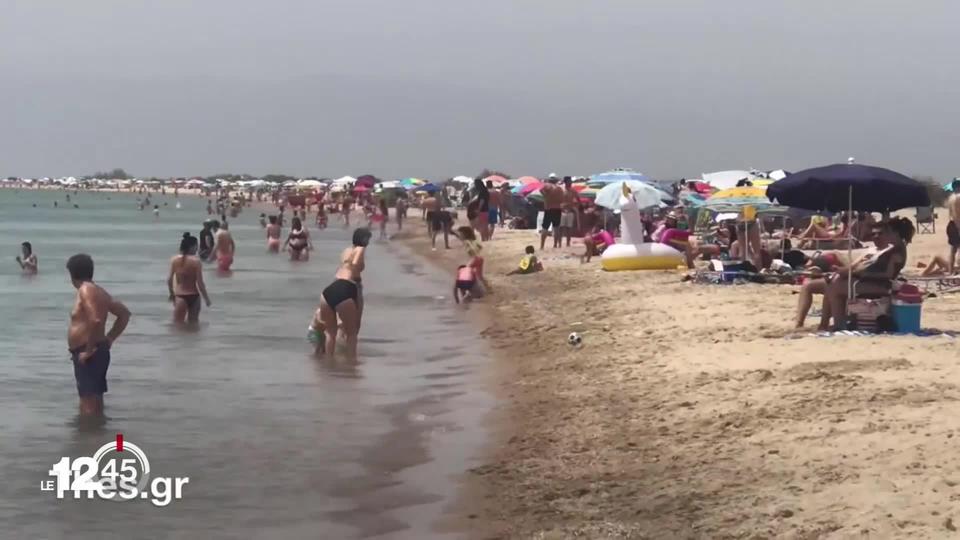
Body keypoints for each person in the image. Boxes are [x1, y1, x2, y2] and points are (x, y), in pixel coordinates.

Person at [820, 217, 914, 330]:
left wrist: (860, 274)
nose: (886, 235)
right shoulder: (894, 249)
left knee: (836, 286)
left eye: (888, 232)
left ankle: (839, 324)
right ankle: (831, 324)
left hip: (881, 286)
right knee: (833, 282)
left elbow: (887, 275)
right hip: (873, 283)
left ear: (895, 233)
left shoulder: (897, 252)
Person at [66, 254, 131, 416]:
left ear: (72, 274)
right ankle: (98, 434)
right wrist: (109, 338)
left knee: (87, 404)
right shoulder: (100, 291)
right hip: (98, 350)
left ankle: (88, 438)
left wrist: (88, 351)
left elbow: (95, 319)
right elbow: (124, 314)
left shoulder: (85, 290)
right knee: (95, 401)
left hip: (90, 353)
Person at [317, 228, 370, 360]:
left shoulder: (347, 250)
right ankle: (351, 366)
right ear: (363, 239)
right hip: (348, 287)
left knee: (330, 333)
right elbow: (356, 263)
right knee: (353, 333)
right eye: (367, 238)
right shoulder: (360, 249)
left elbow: (345, 265)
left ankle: (329, 364)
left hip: (330, 289)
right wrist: (356, 265)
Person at [167, 233, 212, 325]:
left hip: (180, 296)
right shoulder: (196, 262)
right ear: (192, 247)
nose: (197, 248)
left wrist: (171, 293)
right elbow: (200, 283)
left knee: (177, 325)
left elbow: (169, 280)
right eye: (196, 246)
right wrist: (206, 299)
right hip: (194, 296)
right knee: (194, 325)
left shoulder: (174, 260)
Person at [540, 175, 564, 249]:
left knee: (545, 227)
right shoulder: (559, 188)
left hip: (549, 208)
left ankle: (542, 245)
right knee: (556, 227)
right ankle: (555, 244)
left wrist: (545, 196)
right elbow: (561, 199)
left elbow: (540, 190)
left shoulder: (547, 186)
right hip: (557, 209)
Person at [560, 177, 580, 247]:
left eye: (571, 181)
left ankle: (568, 243)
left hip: (570, 211)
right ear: (565, 182)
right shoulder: (561, 190)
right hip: (562, 211)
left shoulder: (573, 191)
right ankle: (559, 243)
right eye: (569, 181)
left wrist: (574, 206)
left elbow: (578, 200)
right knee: (561, 228)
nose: (571, 183)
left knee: (569, 228)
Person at [948, 179, 960, 273]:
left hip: (951, 224)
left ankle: (950, 271)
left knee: (953, 250)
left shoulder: (951, 197)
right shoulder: (958, 197)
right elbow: (957, 214)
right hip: (957, 224)